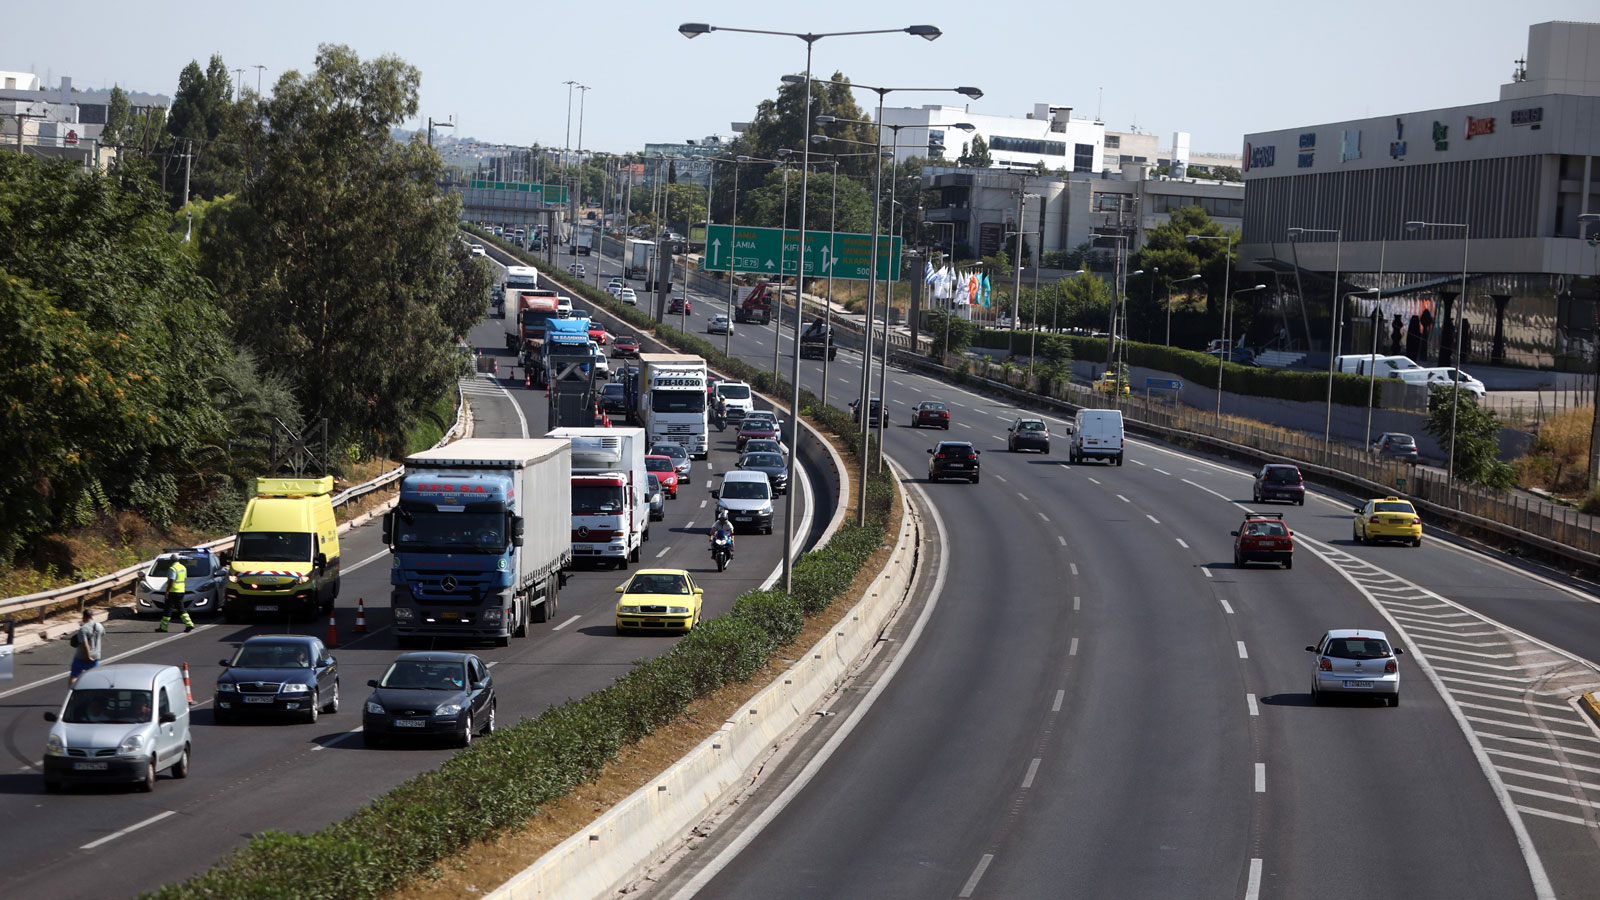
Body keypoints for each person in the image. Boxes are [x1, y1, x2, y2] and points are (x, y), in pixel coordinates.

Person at [156, 554, 196, 633]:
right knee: (181, 609)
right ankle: (189, 624)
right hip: (181, 591)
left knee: (168, 609)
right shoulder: (183, 568)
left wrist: (167, 591)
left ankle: (164, 627)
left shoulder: (172, 568)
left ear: (171, 560)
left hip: (173, 591)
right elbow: (184, 579)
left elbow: (171, 581)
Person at [69, 609, 105, 688]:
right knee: (94, 677)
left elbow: (85, 645)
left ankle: (72, 691)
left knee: (74, 675)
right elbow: (102, 634)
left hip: (82, 657)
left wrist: (88, 656)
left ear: (83, 617)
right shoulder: (99, 626)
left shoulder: (83, 629)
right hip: (95, 657)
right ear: (92, 616)